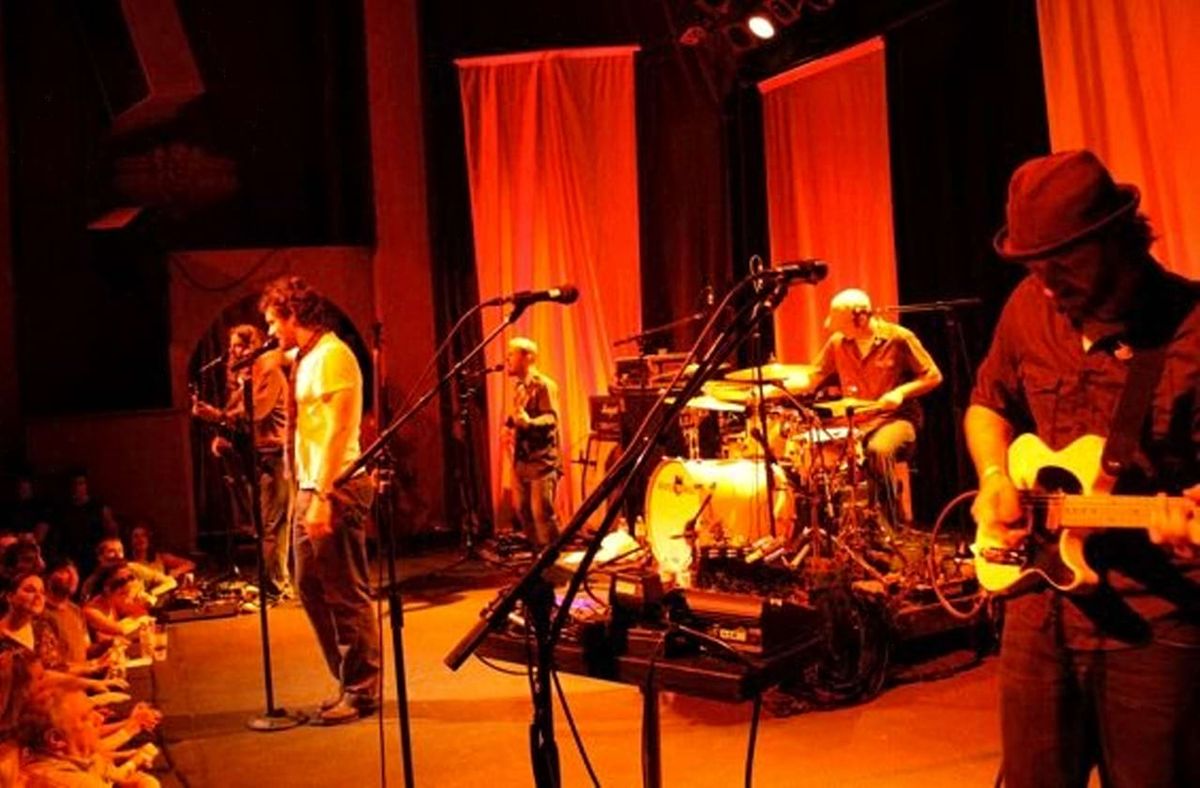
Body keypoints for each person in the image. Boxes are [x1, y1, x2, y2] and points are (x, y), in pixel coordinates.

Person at [966, 150, 1200, 788]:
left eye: (1062, 265)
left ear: (1116, 239)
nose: (1046, 285)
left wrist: (1184, 524)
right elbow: (988, 405)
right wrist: (994, 479)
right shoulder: (1029, 307)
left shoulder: (1190, 331)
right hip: (1039, 603)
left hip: (1156, 618)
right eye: (1033, 268)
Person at [259, 275, 378, 725]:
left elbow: (339, 429)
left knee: (345, 592)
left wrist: (324, 494)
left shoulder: (334, 357)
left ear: (293, 314)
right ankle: (347, 679)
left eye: (273, 321)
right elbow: (280, 356)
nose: (270, 331)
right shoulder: (307, 357)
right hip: (310, 485)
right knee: (308, 584)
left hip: (337, 484)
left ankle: (362, 690)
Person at [801, 288, 943, 526]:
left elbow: (933, 376)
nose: (838, 331)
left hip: (896, 418)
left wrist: (900, 392)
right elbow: (813, 377)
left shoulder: (899, 338)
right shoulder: (838, 342)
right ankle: (835, 525)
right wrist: (774, 386)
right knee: (815, 449)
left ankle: (892, 524)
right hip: (857, 422)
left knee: (878, 450)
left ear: (861, 318)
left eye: (843, 325)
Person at [192, 324, 292, 601]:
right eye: (233, 346)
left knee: (272, 526)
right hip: (255, 458)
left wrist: (218, 417)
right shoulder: (246, 381)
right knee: (262, 527)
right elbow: (232, 414)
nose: (235, 352)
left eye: (240, 345)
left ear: (254, 346)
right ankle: (273, 581)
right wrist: (219, 426)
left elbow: (255, 412)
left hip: (276, 456)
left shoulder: (270, 373)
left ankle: (275, 586)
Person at [503, 337, 563, 549]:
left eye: (512, 354)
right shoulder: (519, 387)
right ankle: (538, 554)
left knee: (541, 513)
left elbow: (551, 419)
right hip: (522, 460)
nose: (507, 358)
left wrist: (529, 423)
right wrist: (509, 423)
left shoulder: (544, 385)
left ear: (527, 357)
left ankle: (552, 556)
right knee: (522, 510)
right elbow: (520, 415)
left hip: (541, 461)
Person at [127, 522, 195, 581]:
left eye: (143, 535)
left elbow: (190, 564)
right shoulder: (127, 563)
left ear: (148, 539)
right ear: (130, 541)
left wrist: (176, 571)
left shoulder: (160, 557)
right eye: (135, 536)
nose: (140, 539)